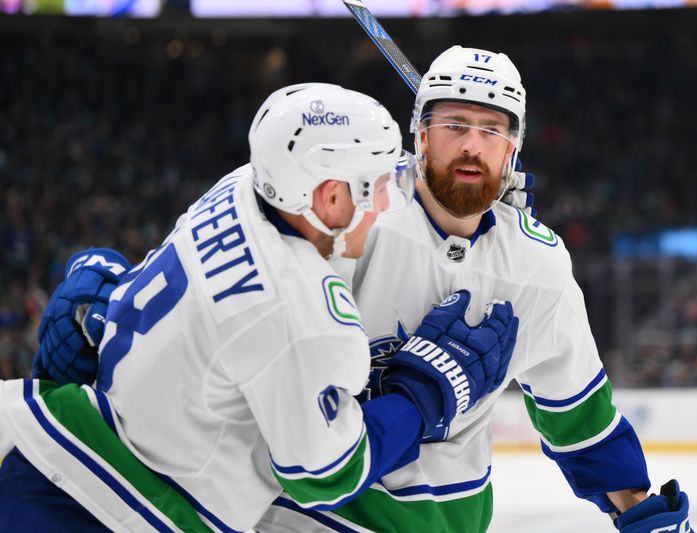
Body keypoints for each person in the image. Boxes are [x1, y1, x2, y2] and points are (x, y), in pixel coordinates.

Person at [26, 48, 693, 532]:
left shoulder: (536, 269)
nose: (471, 144)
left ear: (513, 153)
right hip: (306, 508)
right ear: (418, 133)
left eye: (491, 131)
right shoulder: (346, 215)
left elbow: (579, 413)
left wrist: (640, 509)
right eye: (453, 124)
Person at [0, 83, 519, 532]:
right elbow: (325, 473)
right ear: (330, 198)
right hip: (115, 513)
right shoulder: (305, 318)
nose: (386, 206)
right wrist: (423, 396)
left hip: (42, 443)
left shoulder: (237, 189)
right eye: (378, 185)